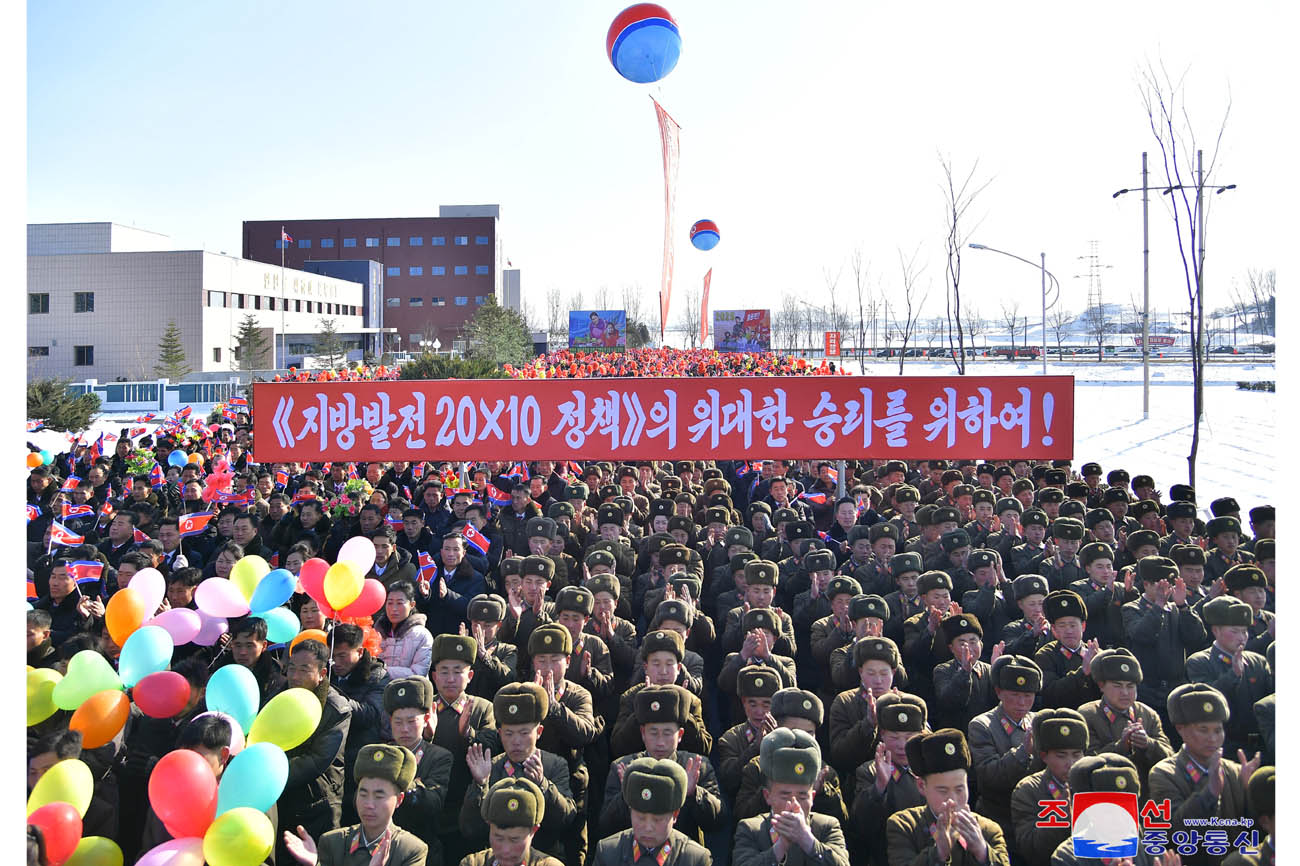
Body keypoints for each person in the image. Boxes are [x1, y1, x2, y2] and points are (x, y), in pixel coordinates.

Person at [460, 683, 578, 864]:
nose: (516, 741)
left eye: (524, 733)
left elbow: (566, 819)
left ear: (539, 732)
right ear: (499, 734)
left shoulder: (554, 764)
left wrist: (543, 785)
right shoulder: (490, 767)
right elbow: (470, 829)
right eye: (508, 733)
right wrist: (480, 784)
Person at [1148, 683, 1260, 866]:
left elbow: (1257, 831)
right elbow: (1174, 831)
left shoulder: (1236, 770)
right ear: (1180, 728)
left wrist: (1252, 793)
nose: (1213, 738)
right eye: (1203, 730)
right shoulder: (1164, 774)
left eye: (1218, 730)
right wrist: (1209, 793)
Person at [283, 744, 427, 866]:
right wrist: (315, 863)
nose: (369, 804)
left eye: (379, 796)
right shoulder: (333, 842)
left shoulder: (410, 851)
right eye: (363, 794)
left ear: (399, 800)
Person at [277, 639, 353, 866]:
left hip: (319, 802)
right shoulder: (280, 696)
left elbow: (317, 759)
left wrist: (274, 775)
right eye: (291, 668)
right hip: (283, 799)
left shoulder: (336, 709)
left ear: (321, 674)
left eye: (303, 670)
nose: (295, 676)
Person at [885, 728, 1010, 866]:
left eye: (959, 789)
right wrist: (938, 853)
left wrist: (983, 853)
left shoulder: (987, 829)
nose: (953, 799)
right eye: (943, 791)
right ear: (921, 786)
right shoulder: (905, 826)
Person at [731, 727, 850, 866]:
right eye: (785, 795)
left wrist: (807, 840)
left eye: (802, 796)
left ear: (812, 797)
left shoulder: (826, 827)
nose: (794, 804)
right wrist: (781, 846)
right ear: (767, 796)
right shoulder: (751, 829)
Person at [1078, 648, 1174, 796]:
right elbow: (1085, 762)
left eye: (1130, 686)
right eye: (1117, 686)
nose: (1125, 692)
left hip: (1145, 794)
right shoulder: (1088, 715)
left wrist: (1148, 744)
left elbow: (1169, 757)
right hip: (1103, 794)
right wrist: (1120, 747)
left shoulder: (1147, 714)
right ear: (1101, 686)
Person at [850, 693, 927, 866]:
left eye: (909, 737)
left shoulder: (930, 770)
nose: (901, 745)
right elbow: (861, 826)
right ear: (882, 735)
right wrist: (879, 787)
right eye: (894, 737)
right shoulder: (869, 771)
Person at [383, 676, 453, 864]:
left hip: (424, 848)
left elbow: (433, 803)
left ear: (426, 719)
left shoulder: (439, 757)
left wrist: (401, 780)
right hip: (384, 849)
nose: (404, 729)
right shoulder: (380, 754)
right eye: (398, 722)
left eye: (411, 721)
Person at [593, 757, 713, 866]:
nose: (648, 827)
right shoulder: (608, 853)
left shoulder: (694, 859)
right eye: (640, 818)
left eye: (657, 819)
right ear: (630, 812)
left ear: (675, 815)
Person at [330, 622, 392, 825]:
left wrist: (332, 697)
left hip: (358, 758)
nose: (336, 662)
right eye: (333, 656)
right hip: (330, 755)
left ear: (360, 651)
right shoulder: (327, 674)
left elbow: (371, 714)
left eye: (342, 656)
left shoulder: (377, 676)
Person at [1009, 709, 1089, 865]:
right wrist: (1062, 818)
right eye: (1061, 755)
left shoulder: (1094, 784)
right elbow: (1030, 848)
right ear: (1044, 756)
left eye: (1076, 755)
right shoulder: (1028, 790)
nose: (1071, 763)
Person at [459, 778, 564, 866]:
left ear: (533, 831)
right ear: (489, 826)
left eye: (514, 839)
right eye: (498, 838)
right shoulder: (474, 863)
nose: (506, 850)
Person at [376, 580, 434, 679]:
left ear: (412, 605)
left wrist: (380, 671)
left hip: (410, 691)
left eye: (399, 603)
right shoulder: (377, 633)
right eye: (390, 603)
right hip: (377, 692)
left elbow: (418, 673)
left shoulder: (422, 635)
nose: (394, 608)